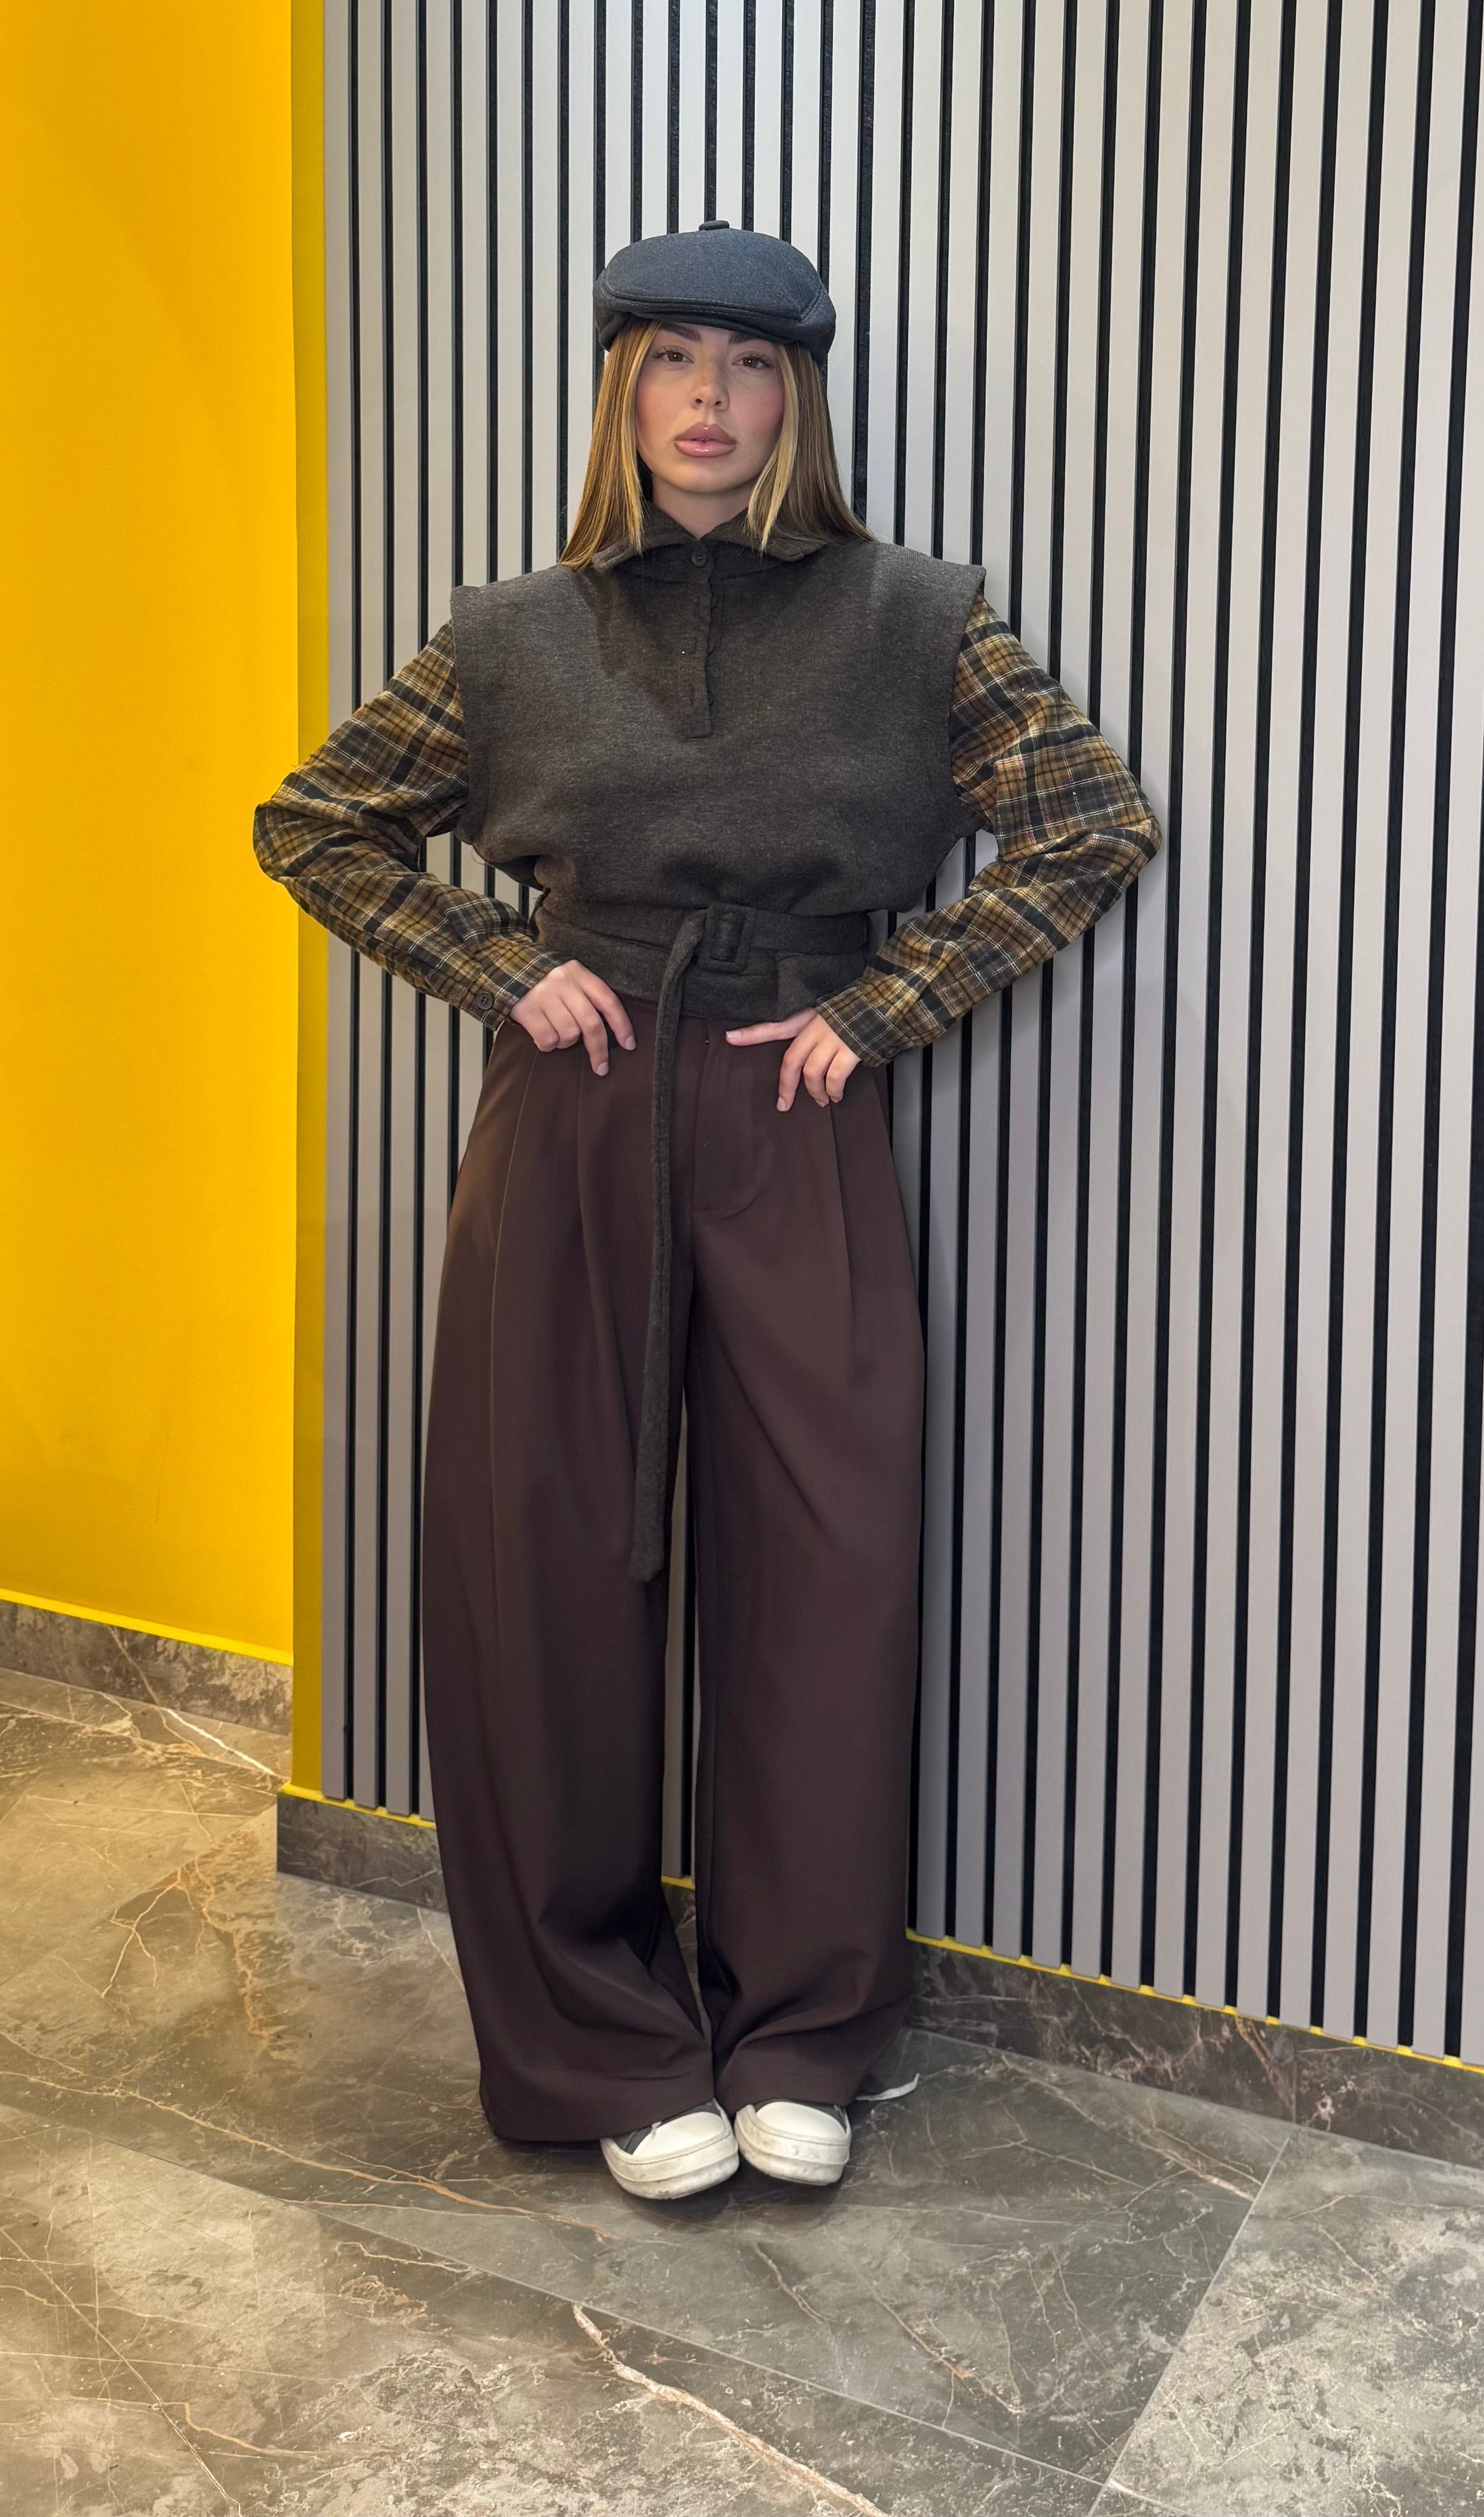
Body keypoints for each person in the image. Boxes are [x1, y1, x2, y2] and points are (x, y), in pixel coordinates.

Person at [253, 220, 1160, 2204]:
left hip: (792, 1107)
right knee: (544, 1565)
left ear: (798, 396)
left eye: (753, 368)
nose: (711, 403)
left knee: (826, 1569)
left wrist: (887, 1006)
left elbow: (1093, 819)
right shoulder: (511, 633)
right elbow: (312, 822)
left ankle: (802, 2030)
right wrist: (500, 966)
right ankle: (595, 2038)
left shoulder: (916, 615)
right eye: (673, 360)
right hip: (573, 1111)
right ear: (622, 387)